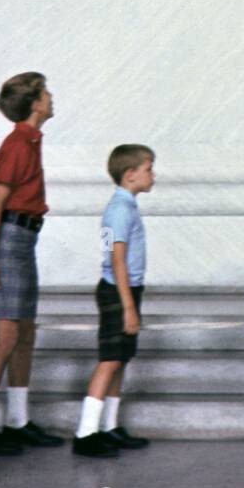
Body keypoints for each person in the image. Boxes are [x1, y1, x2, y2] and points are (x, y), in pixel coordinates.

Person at [0, 72, 64, 454]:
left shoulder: (31, 141)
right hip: (9, 240)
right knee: (6, 335)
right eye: (46, 93)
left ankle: (17, 420)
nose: (52, 98)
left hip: (24, 239)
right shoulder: (19, 143)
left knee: (24, 333)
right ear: (35, 102)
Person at [72, 145, 155, 456]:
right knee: (109, 359)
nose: (153, 175)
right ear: (130, 174)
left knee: (120, 359)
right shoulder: (119, 209)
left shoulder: (126, 205)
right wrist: (129, 308)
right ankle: (86, 433)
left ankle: (109, 425)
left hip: (126, 289)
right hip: (117, 291)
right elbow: (116, 260)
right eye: (149, 169)